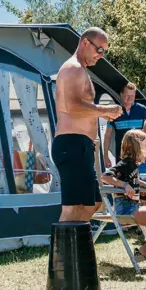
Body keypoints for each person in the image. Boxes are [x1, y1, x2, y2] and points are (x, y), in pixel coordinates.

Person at [52, 27, 122, 223]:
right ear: (85, 43)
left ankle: (74, 248)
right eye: (99, 50)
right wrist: (105, 110)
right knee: (72, 207)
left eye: (104, 51)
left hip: (80, 145)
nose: (101, 55)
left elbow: (81, 108)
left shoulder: (80, 70)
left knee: (92, 203)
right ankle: (61, 252)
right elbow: (71, 107)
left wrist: (101, 114)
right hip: (71, 143)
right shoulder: (73, 68)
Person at [100, 130, 146, 267]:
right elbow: (105, 177)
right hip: (126, 211)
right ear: (137, 145)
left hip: (134, 208)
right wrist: (124, 185)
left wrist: (144, 185)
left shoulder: (132, 164)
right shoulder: (125, 163)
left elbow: (132, 178)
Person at [102, 82, 146, 166]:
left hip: (140, 156)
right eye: (127, 95)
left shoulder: (141, 109)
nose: (130, 98)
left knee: (140, 178)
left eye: (132, 96)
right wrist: (105, 156)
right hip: (122, 157)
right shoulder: (115, 111)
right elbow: (107, 135)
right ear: (121, 94)